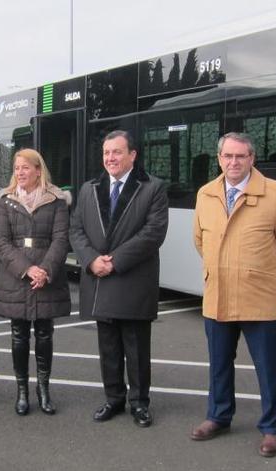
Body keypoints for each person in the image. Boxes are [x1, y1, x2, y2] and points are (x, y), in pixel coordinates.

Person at [190, 132, 276, 457]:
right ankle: (219, 416)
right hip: (218, 295)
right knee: (218, 364)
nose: (233, 162)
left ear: (252, 158)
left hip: (259, 297)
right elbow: (200, 240)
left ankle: (272, 429)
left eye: (240, 156)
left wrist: (264, 275)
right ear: (219, 159)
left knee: (268, 367)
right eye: (227, 156)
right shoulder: (206, 194)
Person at [69, 130, 168, 428]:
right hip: (98, 278)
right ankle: (113, 398)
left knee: (136, 347)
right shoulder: (88, 189)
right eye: (106, 153)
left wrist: (115, 262)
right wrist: (90, 260)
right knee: (108, 346)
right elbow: (76, 229)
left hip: (132, 278)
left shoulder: (152, 187)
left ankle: (139, 403)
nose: (110, 158)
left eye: (117, 152)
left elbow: (153, 233)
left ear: (132, 155)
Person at [0, 149, 71, 416]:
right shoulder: (6, 200)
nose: (20, 173)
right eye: (17, 168)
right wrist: (27, 269)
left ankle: (44, 390)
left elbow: (61, 239)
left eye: (25, 168)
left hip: (46, 277)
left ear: (39, 170)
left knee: (45, 334)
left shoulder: (57, 200)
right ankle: (22, 391)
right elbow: (1, 242)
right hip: (17, 276)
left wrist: (45, 270)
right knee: (18, 335)